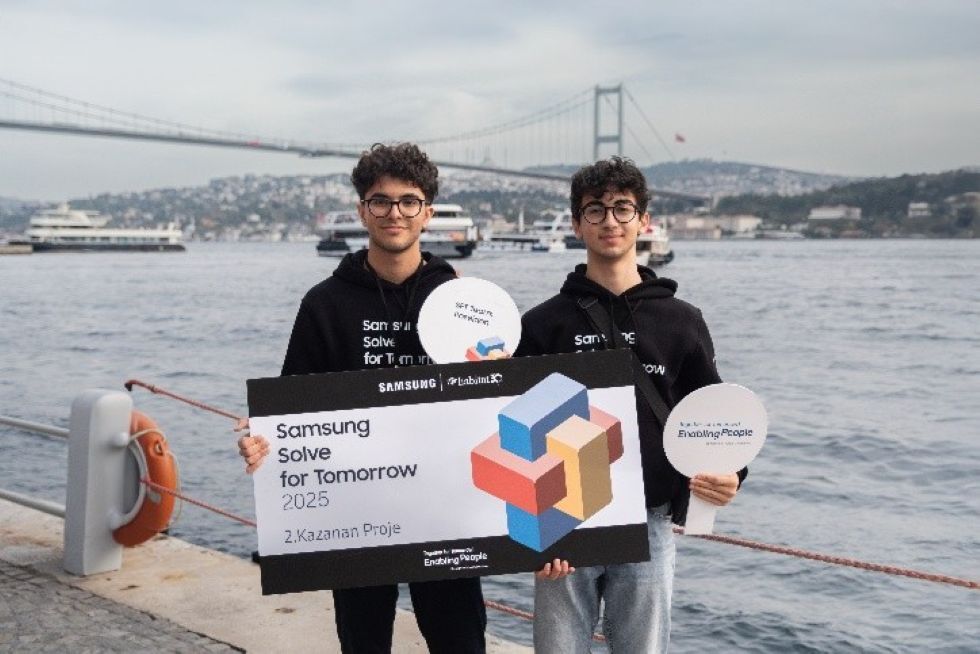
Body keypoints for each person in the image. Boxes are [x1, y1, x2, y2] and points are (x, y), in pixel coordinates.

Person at [236, 142, 487, 654]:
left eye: (409, 201)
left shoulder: (462, 301)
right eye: (381, 201)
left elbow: (490, 404)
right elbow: (291, 408)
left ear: (428, 213)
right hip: (356, 511)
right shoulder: (324, 303)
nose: (395, 213)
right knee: (363, 643)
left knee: (461, 642)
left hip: (445, 506)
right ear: (362, 211)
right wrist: (262, 441)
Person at [514, 156, 747, 653]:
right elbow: (511, 431)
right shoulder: (541, 324)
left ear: (644, 220)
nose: (610, 221)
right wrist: (529, 528)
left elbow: (712, 412)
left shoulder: (682, 321)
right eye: (595, 210)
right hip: (562, 520)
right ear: (577, 223)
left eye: (623, 208)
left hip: (649, 520)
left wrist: (731, 474)